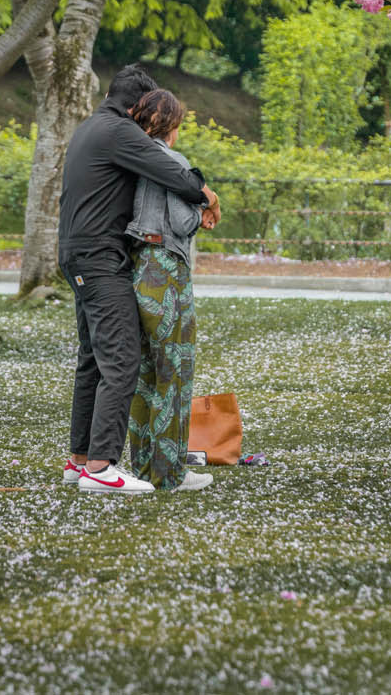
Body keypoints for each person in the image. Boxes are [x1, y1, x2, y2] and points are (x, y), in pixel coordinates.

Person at [58, 66, 219, 494]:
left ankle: (78, 462)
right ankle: (100, 466)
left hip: (76, 254)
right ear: (135, 108)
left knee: (93, 359)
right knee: (122, 357)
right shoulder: (119, 130)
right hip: (99, 258)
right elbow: (175, 175)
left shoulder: (91, 126)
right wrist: (207, 195)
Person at [124, 88, 214, 491]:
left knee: (144, 374)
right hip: (166, 270)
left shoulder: (130, 159)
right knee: (173, 371)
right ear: (173, 125)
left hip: (137, 265)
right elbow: (181, 222)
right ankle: (171, 472)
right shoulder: (173, 162)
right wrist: (203, 210)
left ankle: (142, 467)